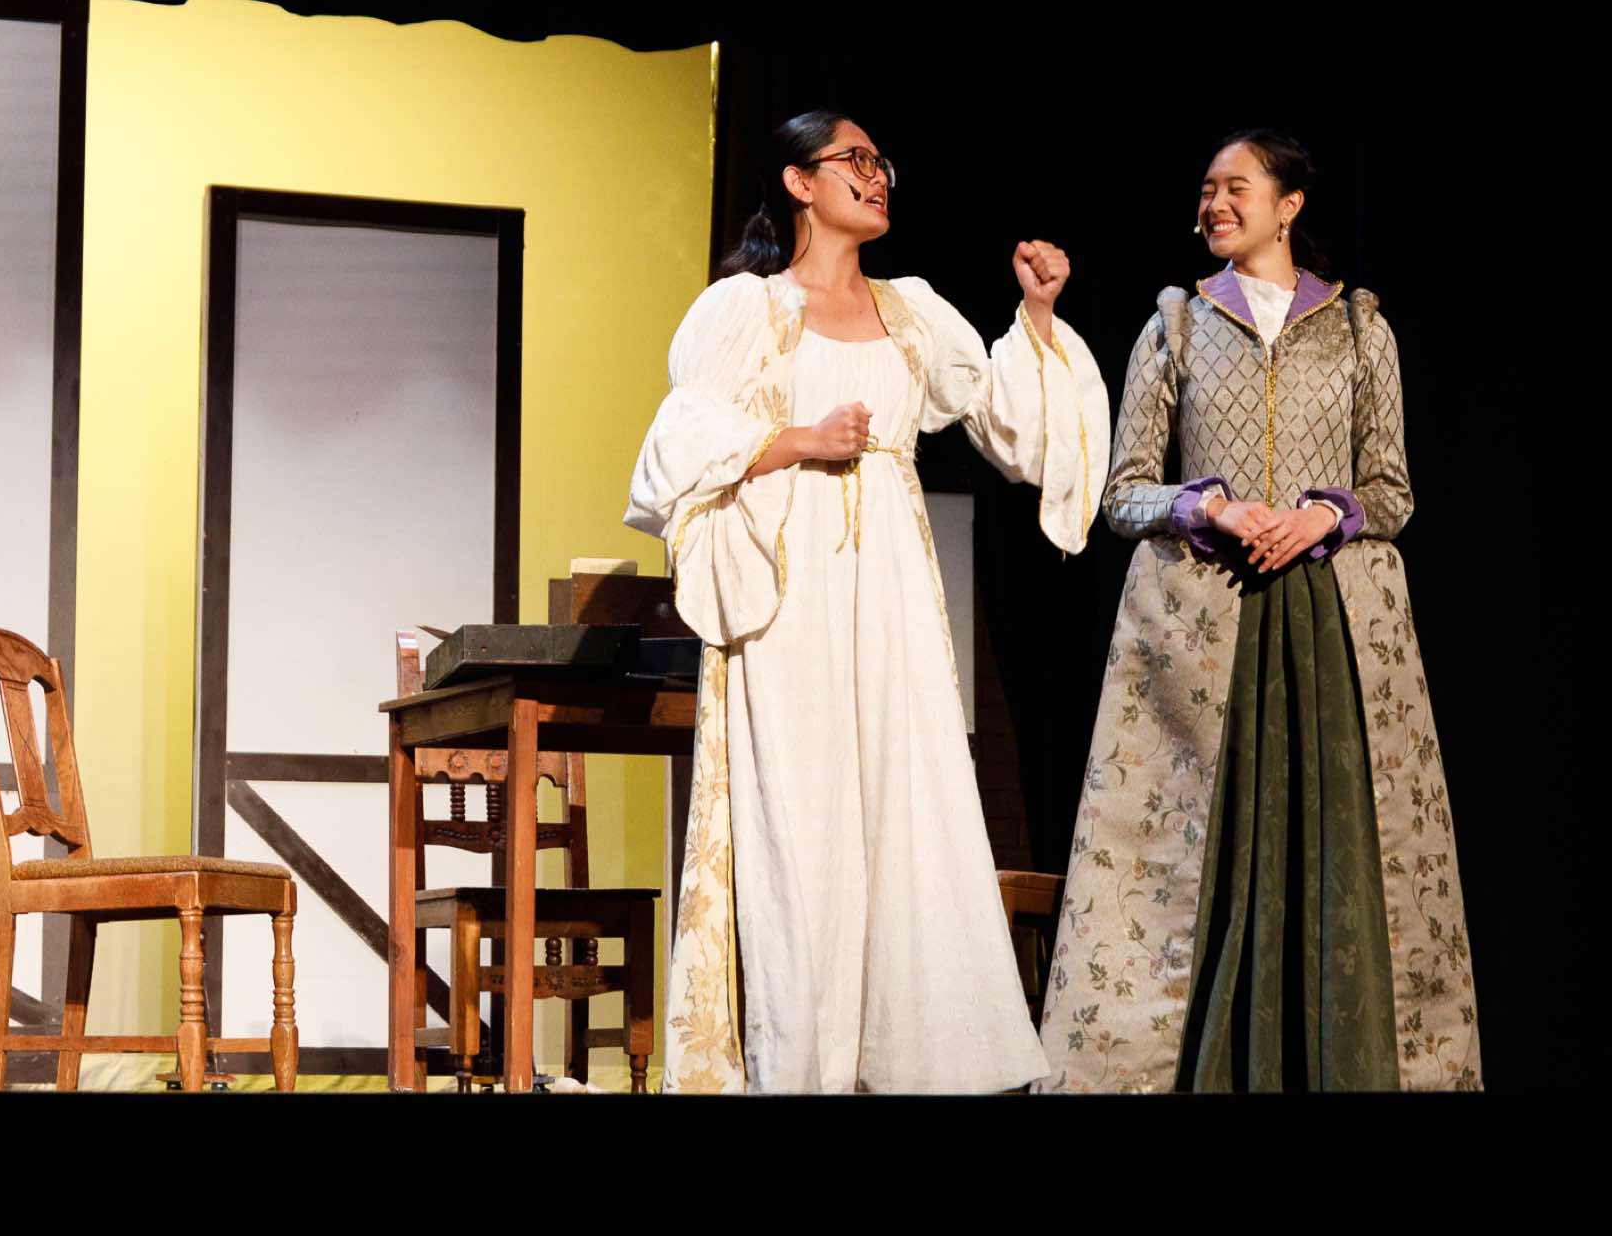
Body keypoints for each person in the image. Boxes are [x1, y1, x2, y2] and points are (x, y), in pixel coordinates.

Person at [625, 112, 1108, 1092]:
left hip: (892, 588)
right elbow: (674, 453)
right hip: (789, 589)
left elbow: (1010, 428)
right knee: (798, 822)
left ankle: (906, 1064)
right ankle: (798, 1067)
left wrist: (1036, 315)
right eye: (853, 159)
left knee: (906, 801)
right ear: (800, 182)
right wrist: (801, 439)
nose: (876, 174)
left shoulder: (912, 309)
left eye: (880, 161)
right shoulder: (746, 309)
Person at [1037, 131, 1480, 1092]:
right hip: (1212, 629)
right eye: (1206, 190)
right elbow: (1124, 494)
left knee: (1336, 851)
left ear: (1289, 206)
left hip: (1329, 631)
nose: (1215, 204)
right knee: (1202, 859)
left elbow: (1392, 491)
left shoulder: (1359, 328)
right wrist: (1211, 508)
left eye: (1236, 187)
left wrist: (1323, 513)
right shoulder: (1175, 324)